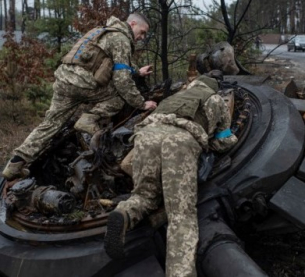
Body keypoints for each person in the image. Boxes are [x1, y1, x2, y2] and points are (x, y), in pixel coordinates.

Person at [104, 74, 238, 276]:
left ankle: (125, 213)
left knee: (144, 194)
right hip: (179, 142)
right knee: (181, 216)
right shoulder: (216, 99)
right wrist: (227, 139)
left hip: (146, 137)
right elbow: (223, 140)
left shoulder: (176, 96)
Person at [2, 12, 157, 181]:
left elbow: (119, 63)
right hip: (84, 85)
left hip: (64, 82)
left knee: (50, 124)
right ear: (132, 24)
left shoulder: (101, 31)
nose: (142, 37)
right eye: (142, 32)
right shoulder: (121, 38)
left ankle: (14, 165)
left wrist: (137, 71)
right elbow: (122, 80)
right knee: (121, 95)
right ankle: (89, 119)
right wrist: (142, 104)